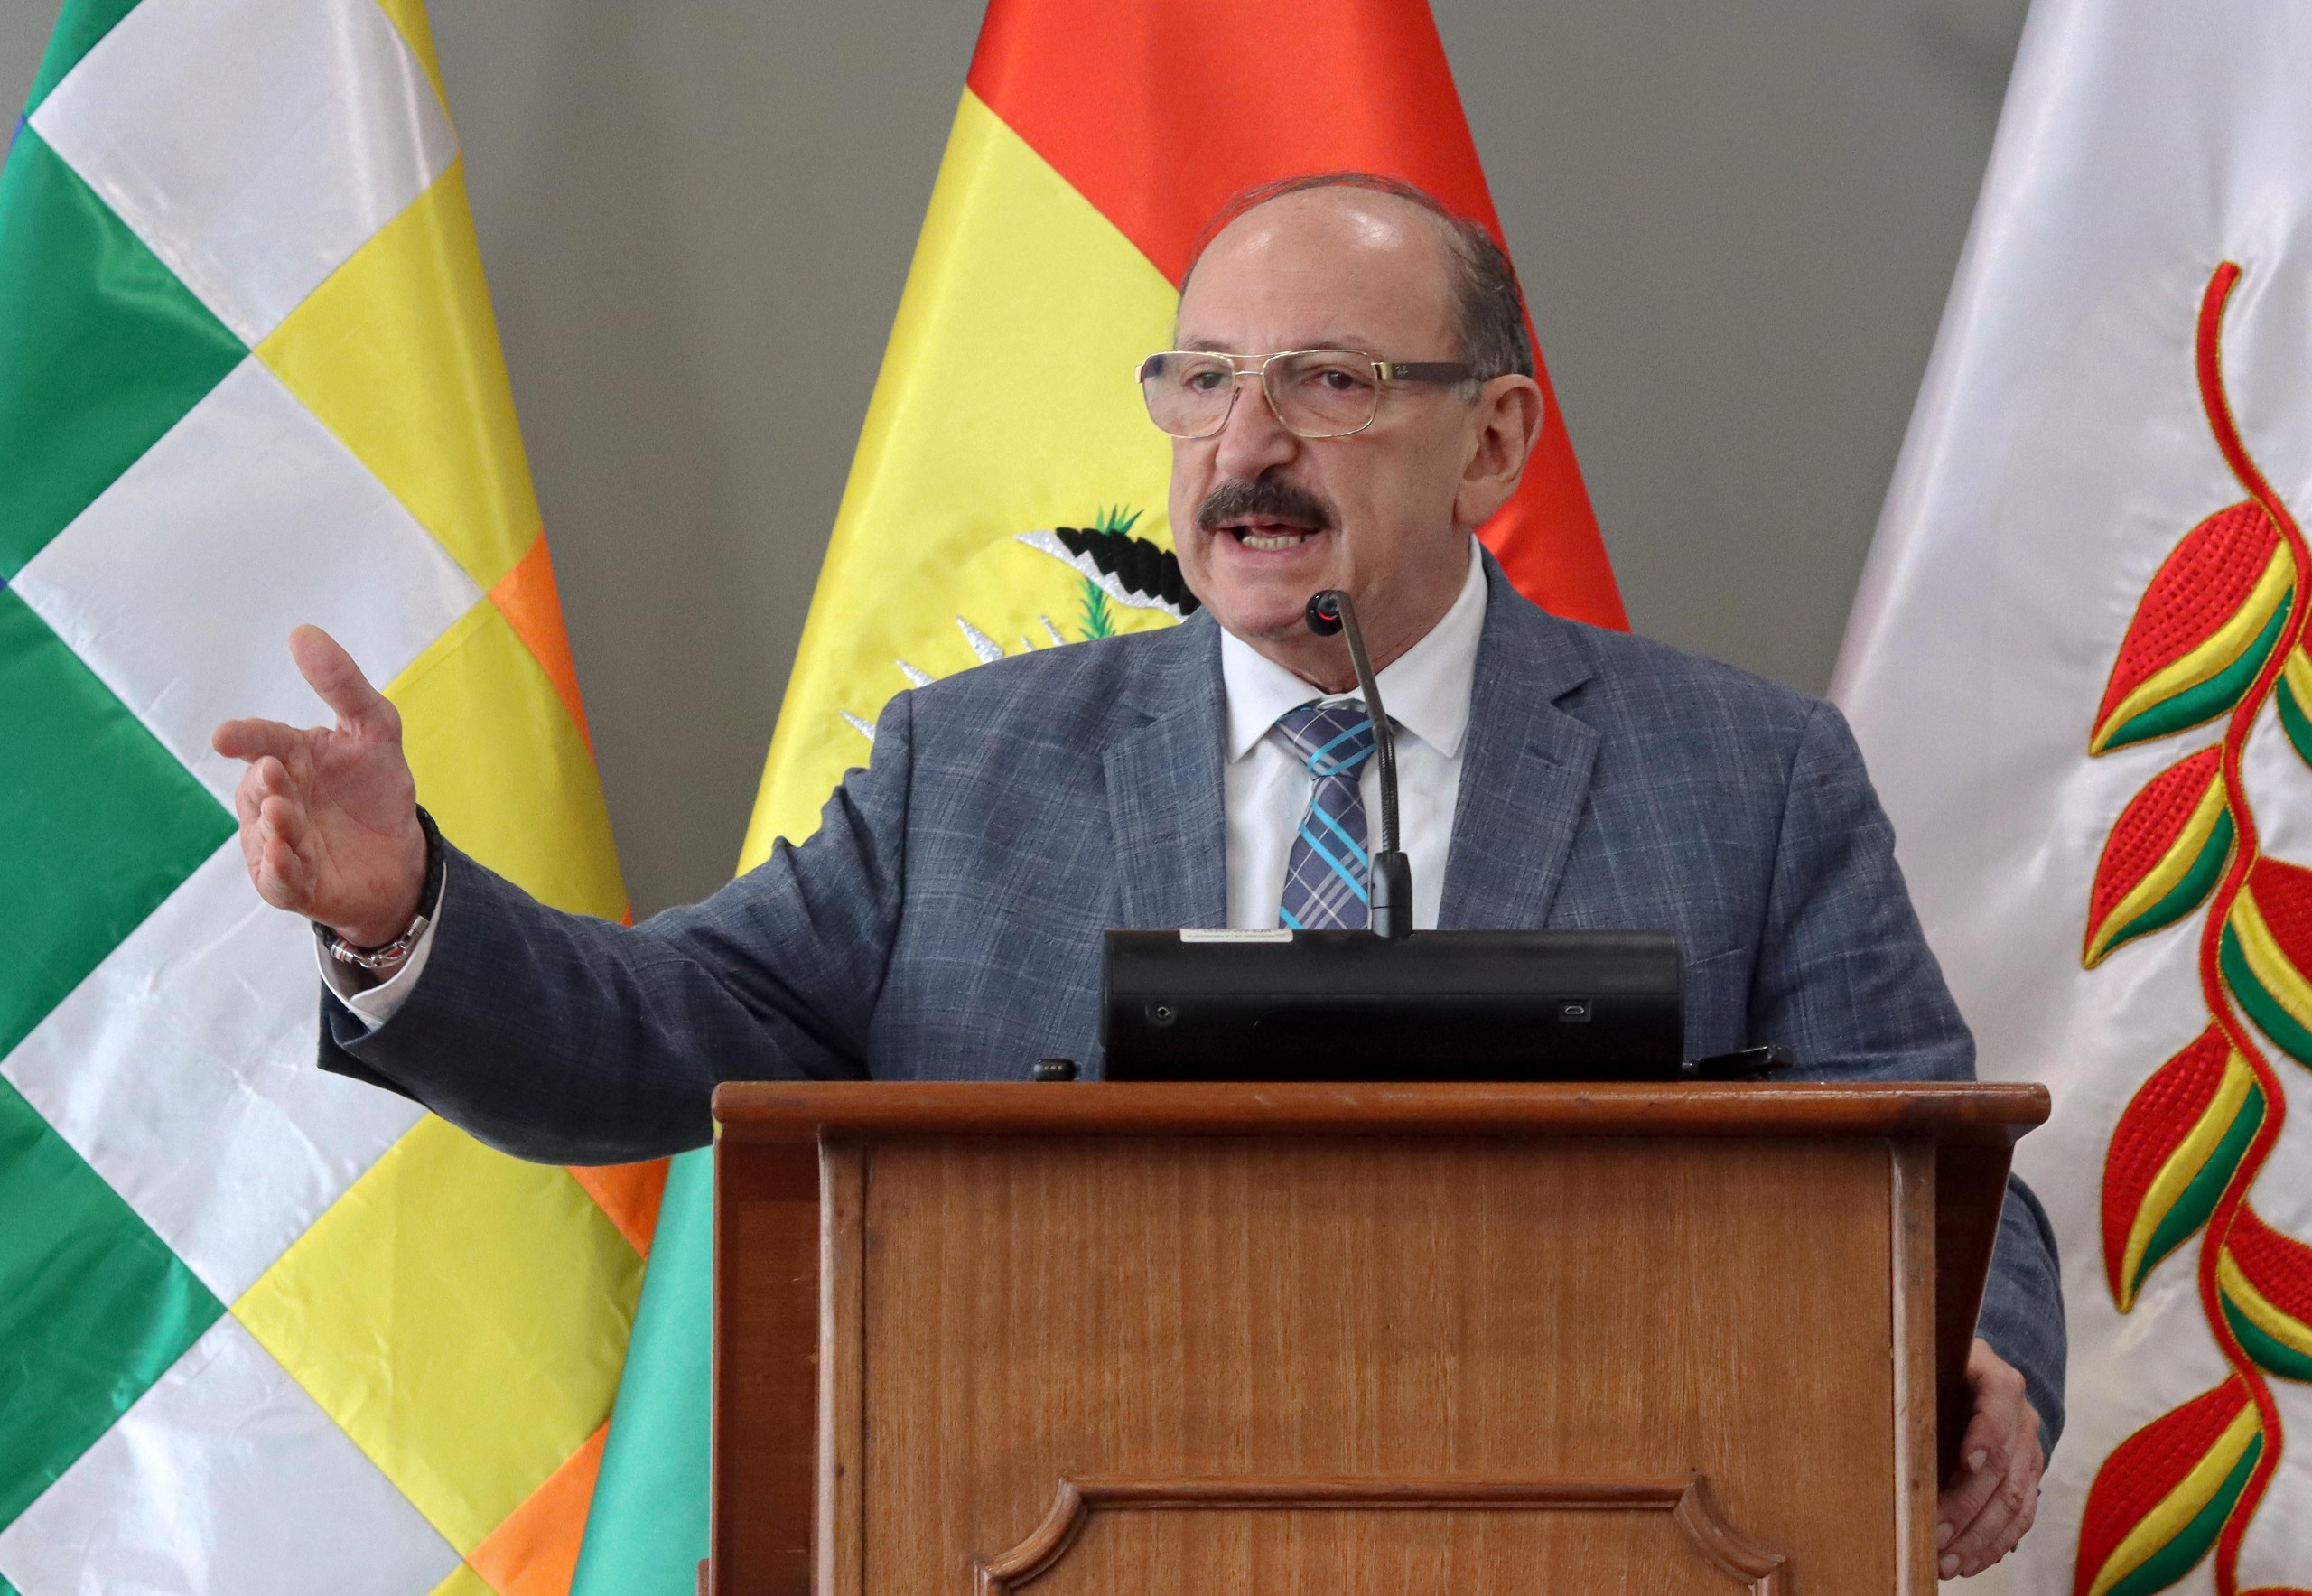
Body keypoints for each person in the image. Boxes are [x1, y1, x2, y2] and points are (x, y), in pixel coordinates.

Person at [213, 173, 2058, 1576]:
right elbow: (654, 1031)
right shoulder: (970, 767)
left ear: (1491, 440)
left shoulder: (1742, 774)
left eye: (1327, 382)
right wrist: (400, 906)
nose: (1244, 449)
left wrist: (1974, 1342)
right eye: (1203, 382)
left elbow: (1928, 1148)